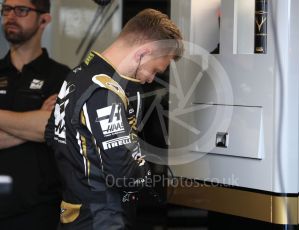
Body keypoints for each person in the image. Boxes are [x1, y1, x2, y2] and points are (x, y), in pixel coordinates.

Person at [45, 8, 183, 230]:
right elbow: (123, 173)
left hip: (76, 212)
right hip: (103, 218)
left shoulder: (77, 74)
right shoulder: (104, 91)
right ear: (143, 52)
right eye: (154, 70)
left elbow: (51, 135)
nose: (150, 79)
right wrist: (144, 170)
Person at [0, 0, 70, 229]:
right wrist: (35, 122)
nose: (10, 16)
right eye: (6, 9)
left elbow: (50, 128)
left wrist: (43, 125)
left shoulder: (61, 77)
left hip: (39, 211)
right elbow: (42, 127)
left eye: (21, 10)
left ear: (44, 19)